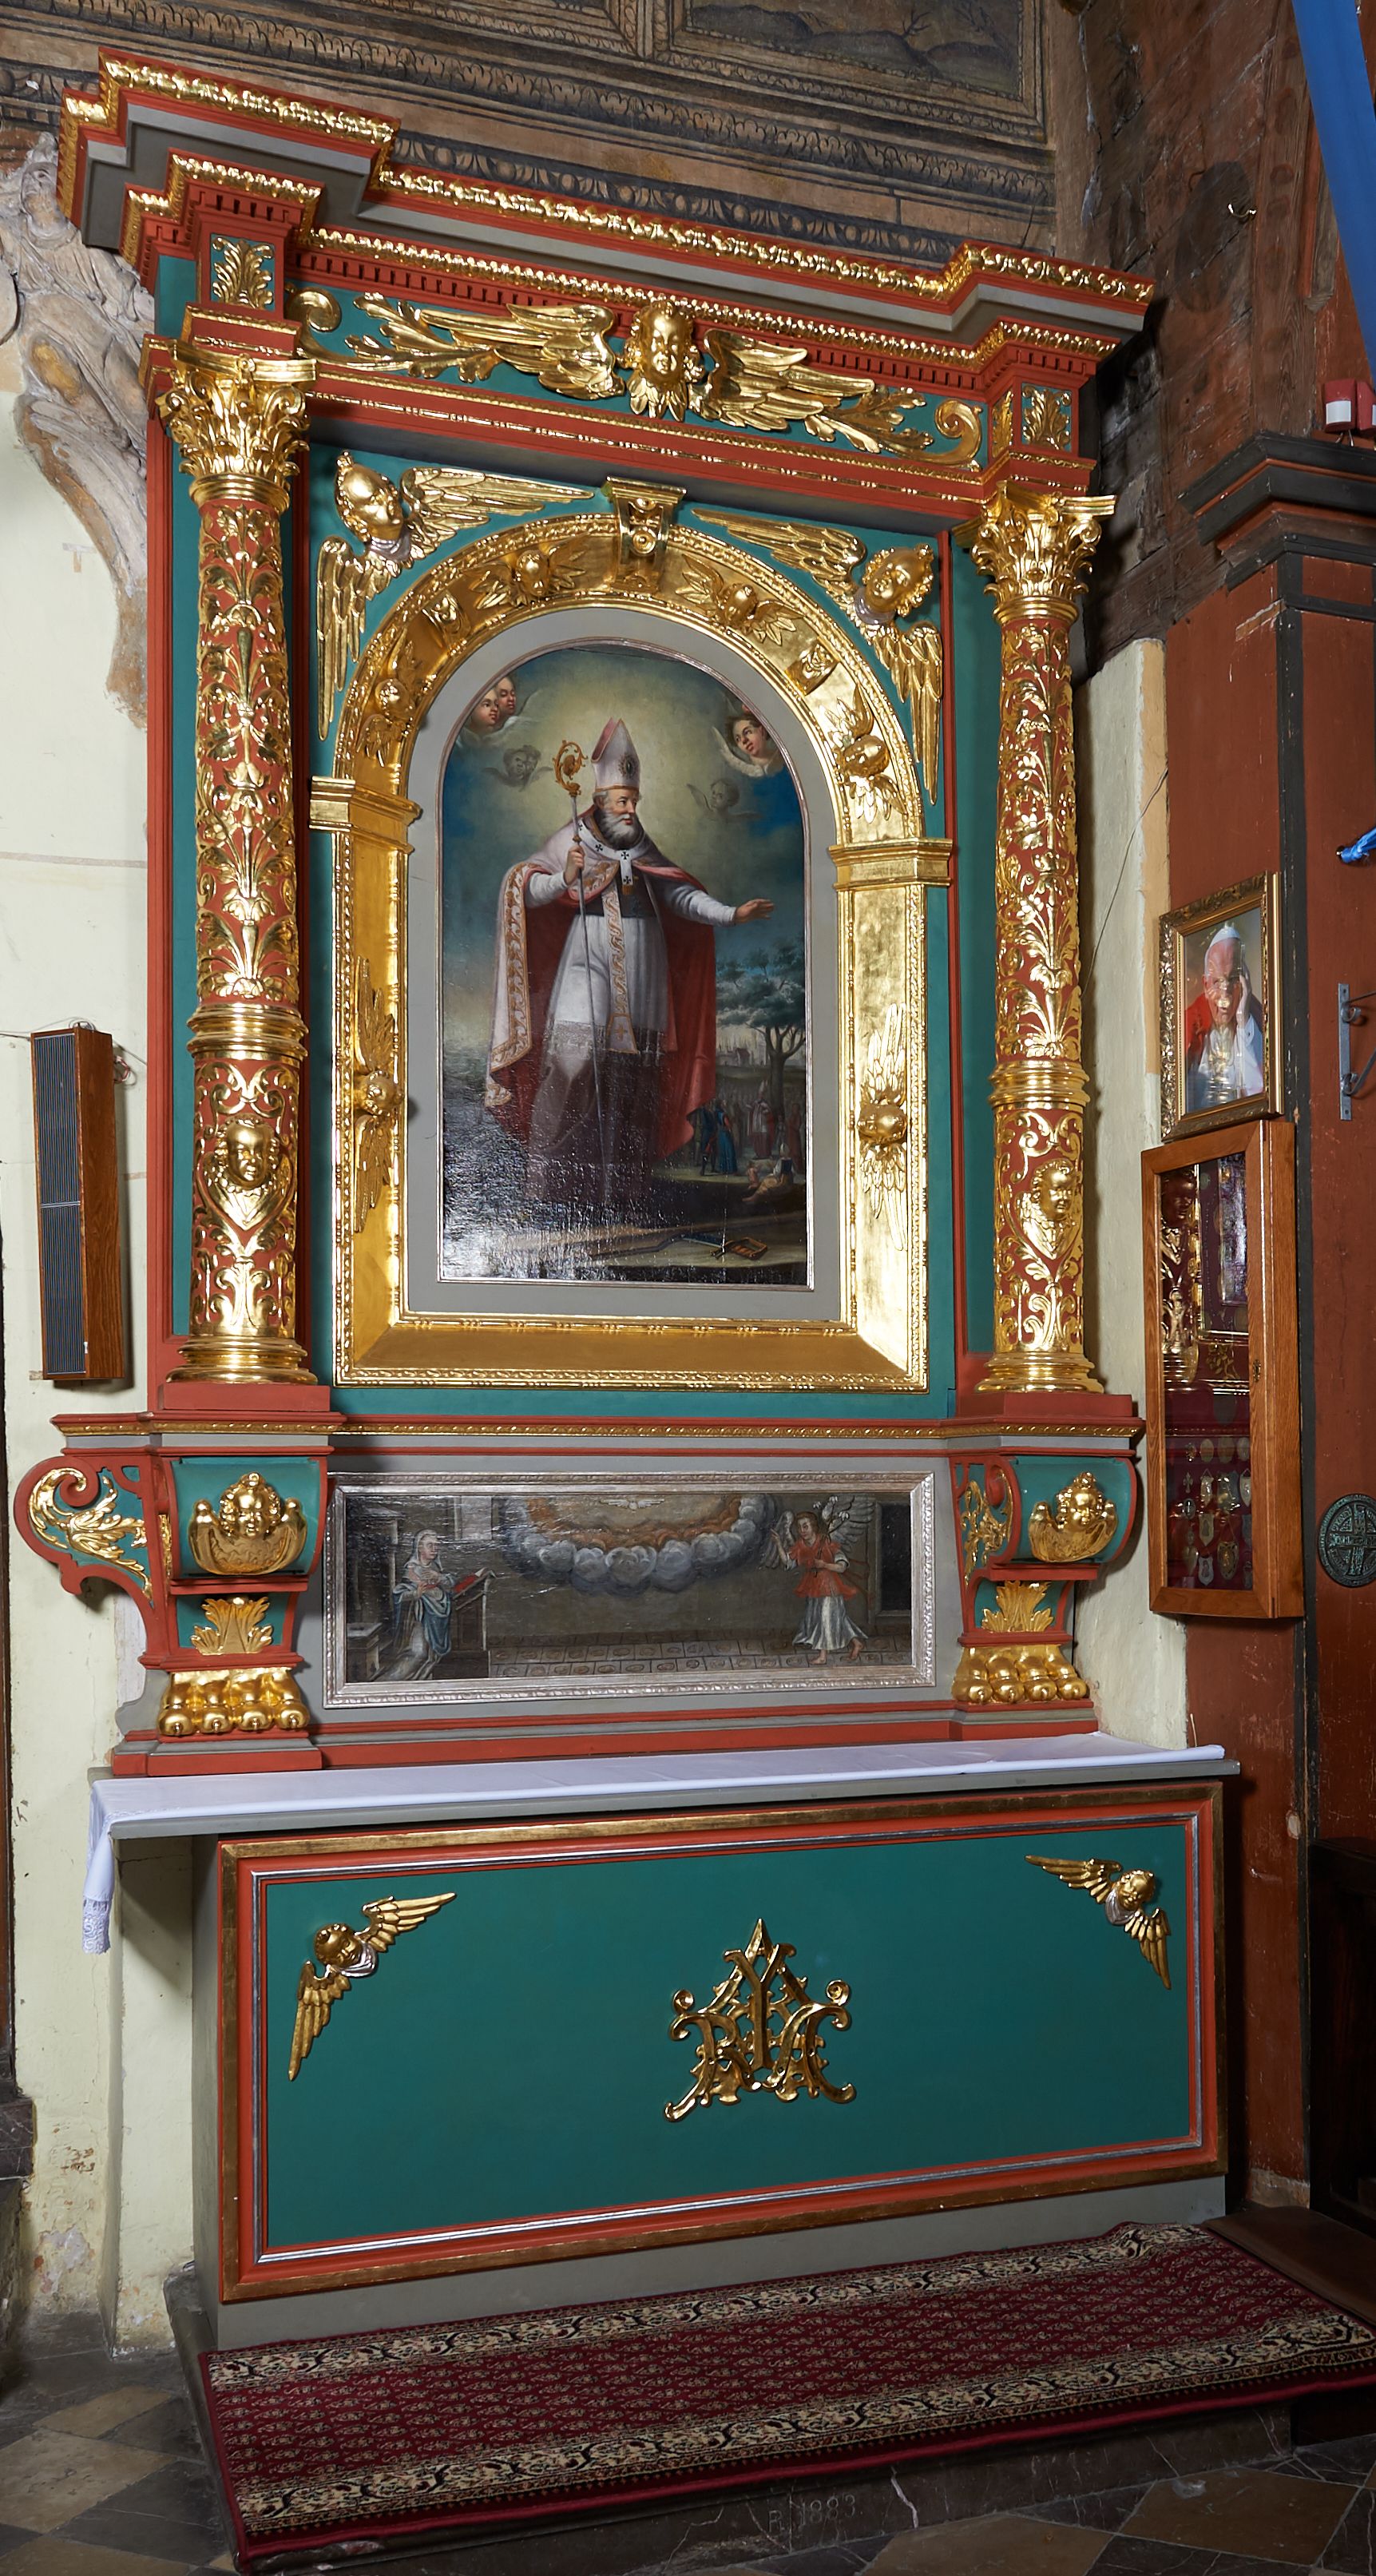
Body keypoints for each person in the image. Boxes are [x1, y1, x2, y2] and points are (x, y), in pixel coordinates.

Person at [486, 718, 772, 1217]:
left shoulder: (641, 846)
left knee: (632, 1081)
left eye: (634, 801)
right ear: (600, 800)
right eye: (622, 801)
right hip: (586, 960)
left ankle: (620, 1192)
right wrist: (564, 877)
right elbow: (527, 889)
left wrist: (731, 914)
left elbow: (679, 896)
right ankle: (547, 1183)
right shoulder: (572, 837)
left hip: (645, 975)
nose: (631, 810)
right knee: (572, 1061)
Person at [1184, 923, 1264, 1114]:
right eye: (1217, 982)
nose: (1225, 993)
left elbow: (1258, 1094)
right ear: (1205, 985)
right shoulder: (1189, 1025)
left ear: (1244, 981)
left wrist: (1243, 1020)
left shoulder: (1256, 1019)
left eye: (1233, 979)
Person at [786, 1512, 866, 1665]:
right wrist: (778, 1543)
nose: (802, 1531)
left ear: (814, 1527)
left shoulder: (826, 1541)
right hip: (814, 1587)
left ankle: (823, 1656)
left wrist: (825, 1565)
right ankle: (857, 1643)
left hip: (830, 1587)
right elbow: (789, 1563)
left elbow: (842, 1567)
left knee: (825, 1619)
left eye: (806, 1526)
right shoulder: (801, 1545)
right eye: (800, 1527)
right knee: (838, 1618)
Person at [383, 1530, 454, 1678]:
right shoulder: (412, 1570)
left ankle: (420, 1681)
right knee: (418, 1653)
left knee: (428, 1656)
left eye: (436, 1545)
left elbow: (450, 1584)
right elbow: (399, 1594)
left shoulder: (435, 1568)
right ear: (420, 1548)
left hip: (435, 1619)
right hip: (418, 1619)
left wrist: (439, 1577)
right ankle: (391, 1681)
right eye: (430, 1545)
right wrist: (416, 1594)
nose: (434, 1549)